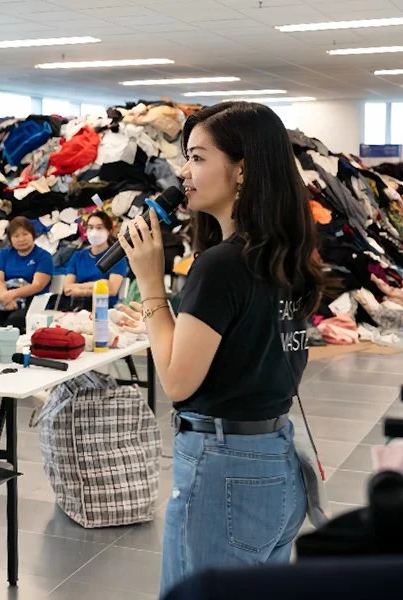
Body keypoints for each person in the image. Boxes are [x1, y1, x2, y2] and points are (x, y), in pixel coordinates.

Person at [117, 102, 324, 596]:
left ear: (242, 170)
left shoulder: (221, 267)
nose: (184, 173)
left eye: (197, 157)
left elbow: (176, 382)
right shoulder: (287, 253)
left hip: (225, 466)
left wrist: (150, 285)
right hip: (276, 461)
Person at [0, 217, 53, 337]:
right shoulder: (4, 254)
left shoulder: (44, 256)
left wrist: (11, 295)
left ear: (33, 235)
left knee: (14, 321)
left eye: (25, 234)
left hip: (32, 301)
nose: (21, 239)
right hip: (5, 297)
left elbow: (37, 285)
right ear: (10, 239)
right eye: (16, 236)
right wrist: (4, 296)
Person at [62, 211, 129, 310]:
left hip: (105, 310)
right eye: (90, 227)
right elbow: (67, 289)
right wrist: (99, 285)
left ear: (109, 230)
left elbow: (112, 290)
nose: (94, 232)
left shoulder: (116, 257)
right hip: (77, 308)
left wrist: (80, 289)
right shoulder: (78, 256)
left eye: (99, 228)